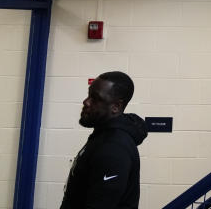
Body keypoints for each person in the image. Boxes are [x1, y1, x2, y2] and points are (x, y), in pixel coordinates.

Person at [60, 72, 147, 209]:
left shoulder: (114, 148)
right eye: (89, 95)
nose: (86, 102)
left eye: (95, 98)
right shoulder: (103, 136)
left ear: (116, 107)